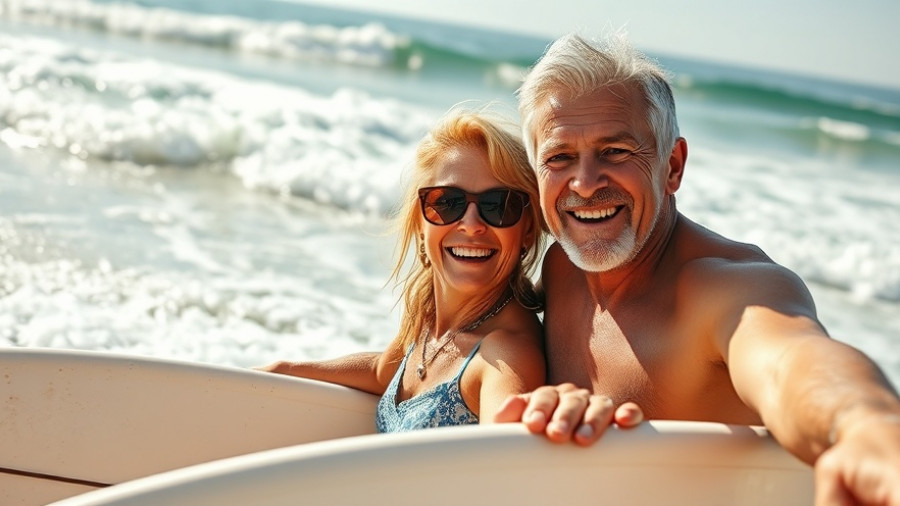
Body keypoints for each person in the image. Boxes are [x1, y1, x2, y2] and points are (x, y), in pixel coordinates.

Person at [493, 33, 900, 504]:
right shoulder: (561, 265)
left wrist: (865, 425)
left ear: (673, 166)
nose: (584, 184)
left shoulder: (725, 288)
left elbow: (791, 359)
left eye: (616, 152)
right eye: (560, 158)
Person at [257, 109, 547, 431]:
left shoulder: (506, 355)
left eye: (499, 205)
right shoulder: (429, 318)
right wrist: (287, 369)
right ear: (420, 223)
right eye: (447, 202)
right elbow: (385, 371)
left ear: (528, 230)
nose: (471, 224)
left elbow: (505, 467)